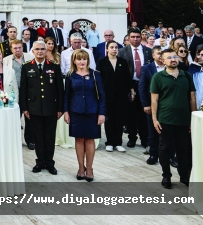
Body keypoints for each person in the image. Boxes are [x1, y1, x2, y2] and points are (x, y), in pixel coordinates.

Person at [151, 48, 196, 188]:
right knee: (165, 148)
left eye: (175, 56)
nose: (173, 59)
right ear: (163, 61)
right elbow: (154, 100)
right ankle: (166, 176)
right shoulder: (158, 77)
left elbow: (192, 98)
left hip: (183, 119)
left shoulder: (186, 76)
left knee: (183, 148)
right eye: (169, 57)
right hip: (165, 119)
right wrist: (154, 119)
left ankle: (184, 175)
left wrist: (193, 118)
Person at [20, 41, 64, 174]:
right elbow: (24, 89)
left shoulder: (54, 67)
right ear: (32, 51)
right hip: (34, 108)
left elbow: (60, 90)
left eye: (42, 49)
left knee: (50, 137)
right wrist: (25, 108)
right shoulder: (27, 66)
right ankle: (40, 162)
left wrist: (60, 108)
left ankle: (50, 163)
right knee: (38, 137)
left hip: (51, 107)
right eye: (37, 49)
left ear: (46, 51)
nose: (40, 51)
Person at [64, 49, 106, 181]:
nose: (82, 61)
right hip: (75, 112)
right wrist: (66, 112)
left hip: (92, 112)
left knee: (89, 139)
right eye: (79, 59)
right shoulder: (70, 75)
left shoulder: (95, 74)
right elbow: (66, 96)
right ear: (74, 61)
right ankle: (81, 168)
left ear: (88, 60)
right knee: (79, 139)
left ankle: (89, 169)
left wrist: (102, 113)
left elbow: (102, 96)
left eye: (84, 59)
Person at [117, 28, 152, 149]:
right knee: (131, 114)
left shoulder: (148, 51)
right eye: (133, 37)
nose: (136, 39)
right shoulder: (122, 52)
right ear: (129, 38)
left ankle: (145, 139)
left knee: (144, 113)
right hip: (129, 86)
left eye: (138, 37)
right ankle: (132, 138)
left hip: (144, 85)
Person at [95, 41, 131, 152]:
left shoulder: (122, 62)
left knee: (119, 118)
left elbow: (127, 78)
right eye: (112, 47)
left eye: (116, 47)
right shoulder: (101, 62)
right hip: (107, 95)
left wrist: (131, 91)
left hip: (121, 95)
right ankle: (109, 142)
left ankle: (118, 142)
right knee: (109, 119)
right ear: (107, 49)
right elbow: (98, 79)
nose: (114, 49)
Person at [139, 45, 166, 164]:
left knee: (167, 132)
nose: (161, 55)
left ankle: (168, 156)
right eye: (158, 53)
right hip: (152, 105)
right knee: (152, 131)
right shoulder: (147, 68)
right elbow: (142, 87)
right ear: (153, 55)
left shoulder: (170, 67)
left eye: (162, 53)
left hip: (167, 106)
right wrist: (146, 104)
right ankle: (153, 154)